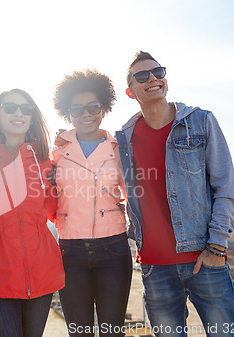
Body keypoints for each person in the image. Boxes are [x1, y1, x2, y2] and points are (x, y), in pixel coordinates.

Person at [116, 51, 234, 337]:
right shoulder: (123, 138)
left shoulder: (201, 121)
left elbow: (226, 187)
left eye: (158, 72)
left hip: (204, 259)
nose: (152, 79)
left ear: (166, 80)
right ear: (130, 91)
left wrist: (216, 248)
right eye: (142, 76)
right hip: (155, 268)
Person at [0, 89, 65, 337]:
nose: (19, 113)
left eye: (26, 109)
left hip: (42, 269)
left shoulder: (45, 159)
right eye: (10, 107)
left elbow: (54, 212)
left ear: (33, 117)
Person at [51, 69, 132, 337]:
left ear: (104, 108)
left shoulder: (119, 148)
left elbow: (134, 196)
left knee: (112, 332)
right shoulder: (56, 152)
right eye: (77, 109)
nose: (86, 114)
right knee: (80, 333)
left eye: (93, 106)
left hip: (113, 249)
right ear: (68, 113)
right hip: (70, 252)